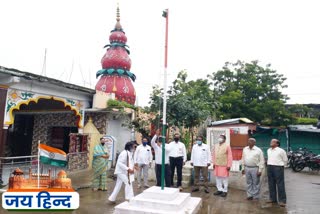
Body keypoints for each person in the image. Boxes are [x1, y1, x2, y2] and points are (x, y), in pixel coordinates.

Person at [267, 139, 288, 207]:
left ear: (277, 144)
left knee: (280, 184)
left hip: (278, 167)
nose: (271, 142)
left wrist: (282, 166)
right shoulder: (268, 150)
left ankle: (282, 201)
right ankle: (272, 199)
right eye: (271, 141)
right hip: (269, 167)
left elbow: (285, 160)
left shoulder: (281, 150)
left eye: (273, 141)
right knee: (271, 183)